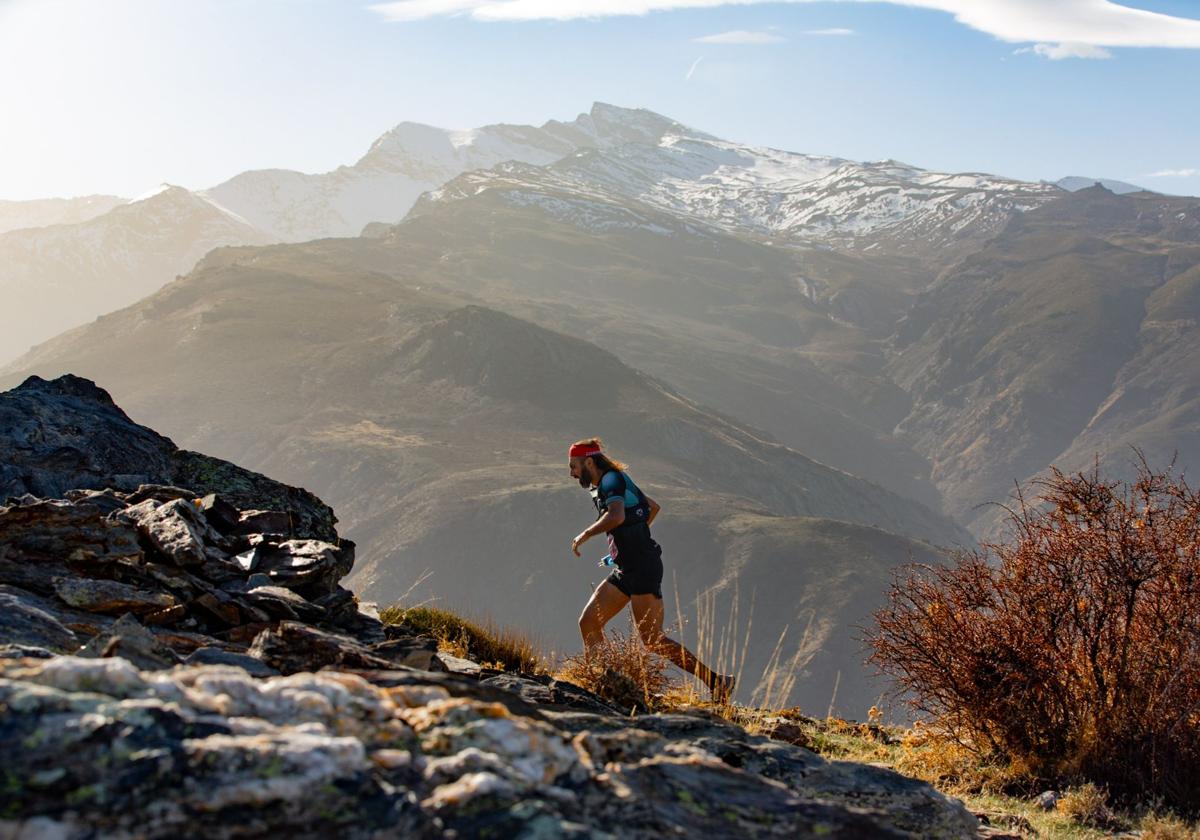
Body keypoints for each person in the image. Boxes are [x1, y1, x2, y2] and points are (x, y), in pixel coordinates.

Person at [568, 437, 735, 703]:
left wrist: (585, 535)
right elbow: (651, 508)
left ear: (589, 461)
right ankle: (606, 680)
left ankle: (718, 681)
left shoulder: (611, 480)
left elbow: (617, 516)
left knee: (654, 640)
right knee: (589, 622)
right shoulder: (612, 483)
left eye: (574, 465)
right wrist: (625, 548)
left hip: (643, 568)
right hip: (627, 567)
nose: (572, 473)